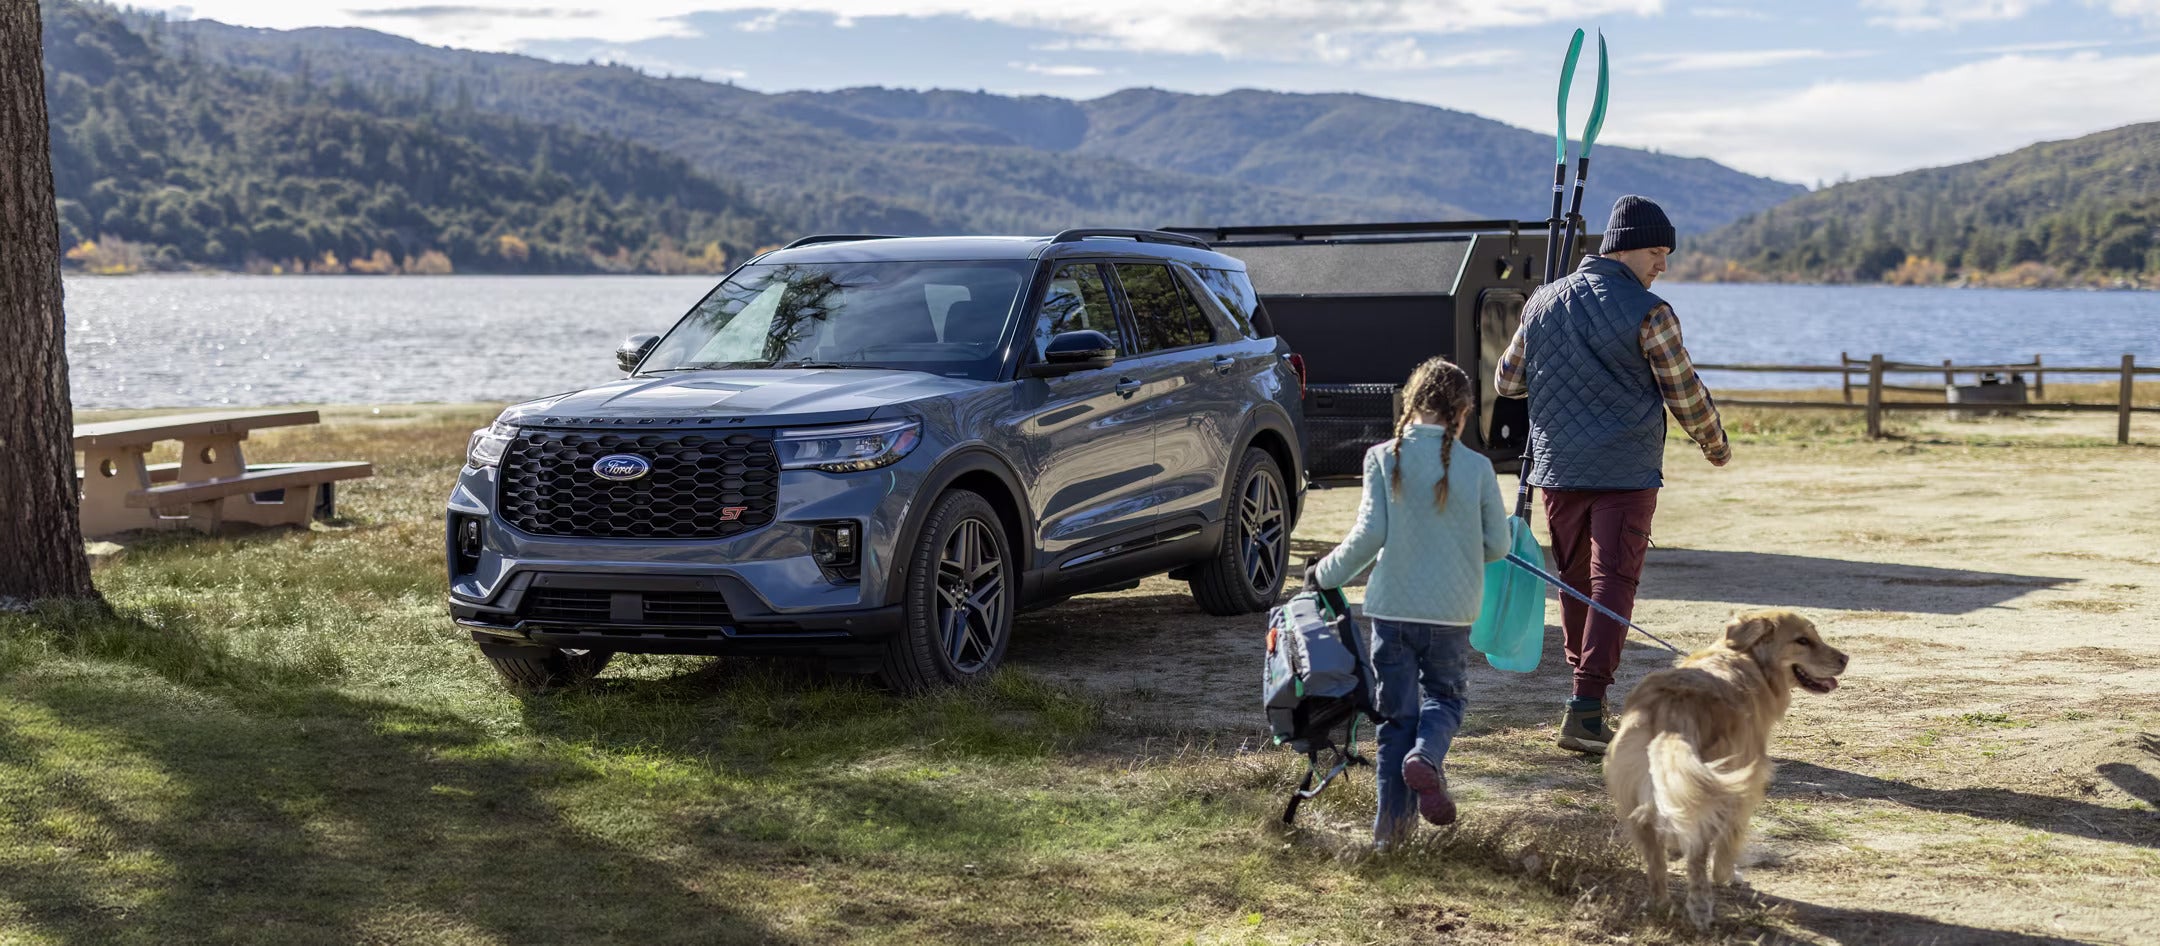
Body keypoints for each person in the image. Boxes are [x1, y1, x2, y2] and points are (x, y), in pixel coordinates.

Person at [1493, 194, 1730, 756]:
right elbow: (1684, 392)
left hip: (1558, 467)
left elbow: (1507, 381)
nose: (1663, 265)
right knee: (1613, 583)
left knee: (1577, 583)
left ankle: (1585, 701)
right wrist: (1714, 443)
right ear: (1625, 248)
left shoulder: (1541, 303)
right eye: (1657, 251)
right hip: (1625, 471)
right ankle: (1585, 706)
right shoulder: (1651, 312)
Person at [1307, 357, 1509, 845]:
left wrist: (1322, 573)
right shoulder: (1478, 467)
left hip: (1392, 612)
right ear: (1461, 411)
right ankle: (1428, 757)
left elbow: (1368, 536)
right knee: (1445, 698)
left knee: (1394, 722)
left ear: (1410, 403)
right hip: (1451, 612)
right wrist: (1462, 548)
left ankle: (1389, 837)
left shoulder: (1381, 457)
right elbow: (1499, 546)